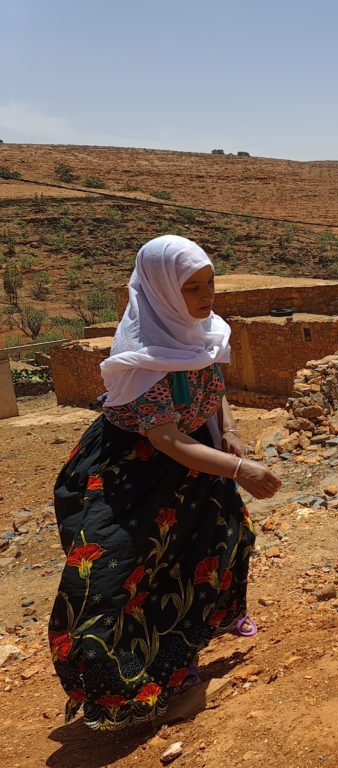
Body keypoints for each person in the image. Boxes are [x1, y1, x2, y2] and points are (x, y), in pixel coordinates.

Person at [48, 235, 281, 729]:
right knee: (115, 576)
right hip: (130, 474)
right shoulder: (143, 356)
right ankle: (122, 688)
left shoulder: (207, 331)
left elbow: (214, 386)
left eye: (210, 283)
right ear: (161, 292)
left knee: (221, 540)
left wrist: (230, 432)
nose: (206, 296)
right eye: (192, 288)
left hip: (196, 462)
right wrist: (241, 470)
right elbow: (167, 440)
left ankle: (195, 637)